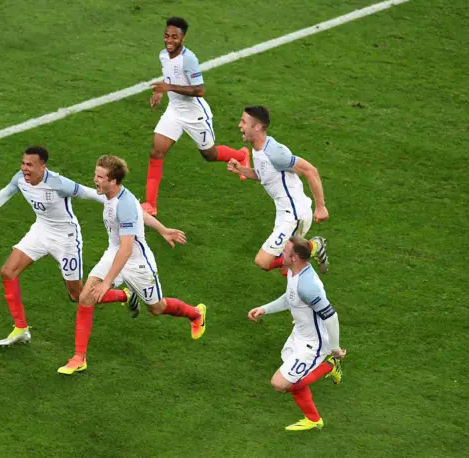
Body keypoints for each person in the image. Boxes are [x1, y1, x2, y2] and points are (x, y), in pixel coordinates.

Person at [58, 155, 206, 375]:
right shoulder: (112, 194)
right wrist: (163, 229)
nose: (95, 180)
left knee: (156, 308)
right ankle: (79, 358)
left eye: (100, 177)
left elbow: (127, 249)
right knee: (86, 296)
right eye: (95, 175)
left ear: (113, 180)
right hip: (114, 253)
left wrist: (107, 283)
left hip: (136, 263)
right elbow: (141, 214)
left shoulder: (123, 204)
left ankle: (195, 314)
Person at [0, 146, 102, 346]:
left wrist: (123, 202)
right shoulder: (20, 179)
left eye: (30, 165)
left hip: (66, 239)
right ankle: (21, 329)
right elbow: (6, 192)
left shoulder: (58, 184)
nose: (24, 168)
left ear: (42, 167)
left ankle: (122, 294)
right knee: (8, 272)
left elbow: (91, 194)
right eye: (23, 163)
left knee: (77, 295)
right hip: (40, 231)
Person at [142, 16, 250, 216]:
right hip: (174, 111)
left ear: (183, 38)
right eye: (166, 36)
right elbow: (169, 77)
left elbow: (199, 90)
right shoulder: (163, 55)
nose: (169, 40)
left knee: (209, 154)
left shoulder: (188, 59)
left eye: (174, 37)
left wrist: (169, 87)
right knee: (156, 152)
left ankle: (241, 155)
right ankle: (150, 205)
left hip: (195, 115)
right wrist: (160, 91)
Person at [247, 236, 346, 431]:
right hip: (299, 333)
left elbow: (331, 317)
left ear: (294, 258)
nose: (280, 254)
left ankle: (330, 365)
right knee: (292, 376)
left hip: (314, 344)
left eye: (285, 251)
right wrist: (265, 309)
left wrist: (334, 349)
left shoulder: (308, 286)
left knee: (280, 384)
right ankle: (314, 419)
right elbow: (290, 297)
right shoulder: (294, 272)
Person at [224, 105, 329, 275]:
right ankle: (299, 288)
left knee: (264, 261)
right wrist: (241, 170)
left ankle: (313, 246)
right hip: (284, 214)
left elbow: (310, 171)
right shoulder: (258, 149)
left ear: (257, 127)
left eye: (243, 121)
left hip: (294, 215)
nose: (239, 125)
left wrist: (321, 206)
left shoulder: (276, 154)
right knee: (287, 269)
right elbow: (265, 175)